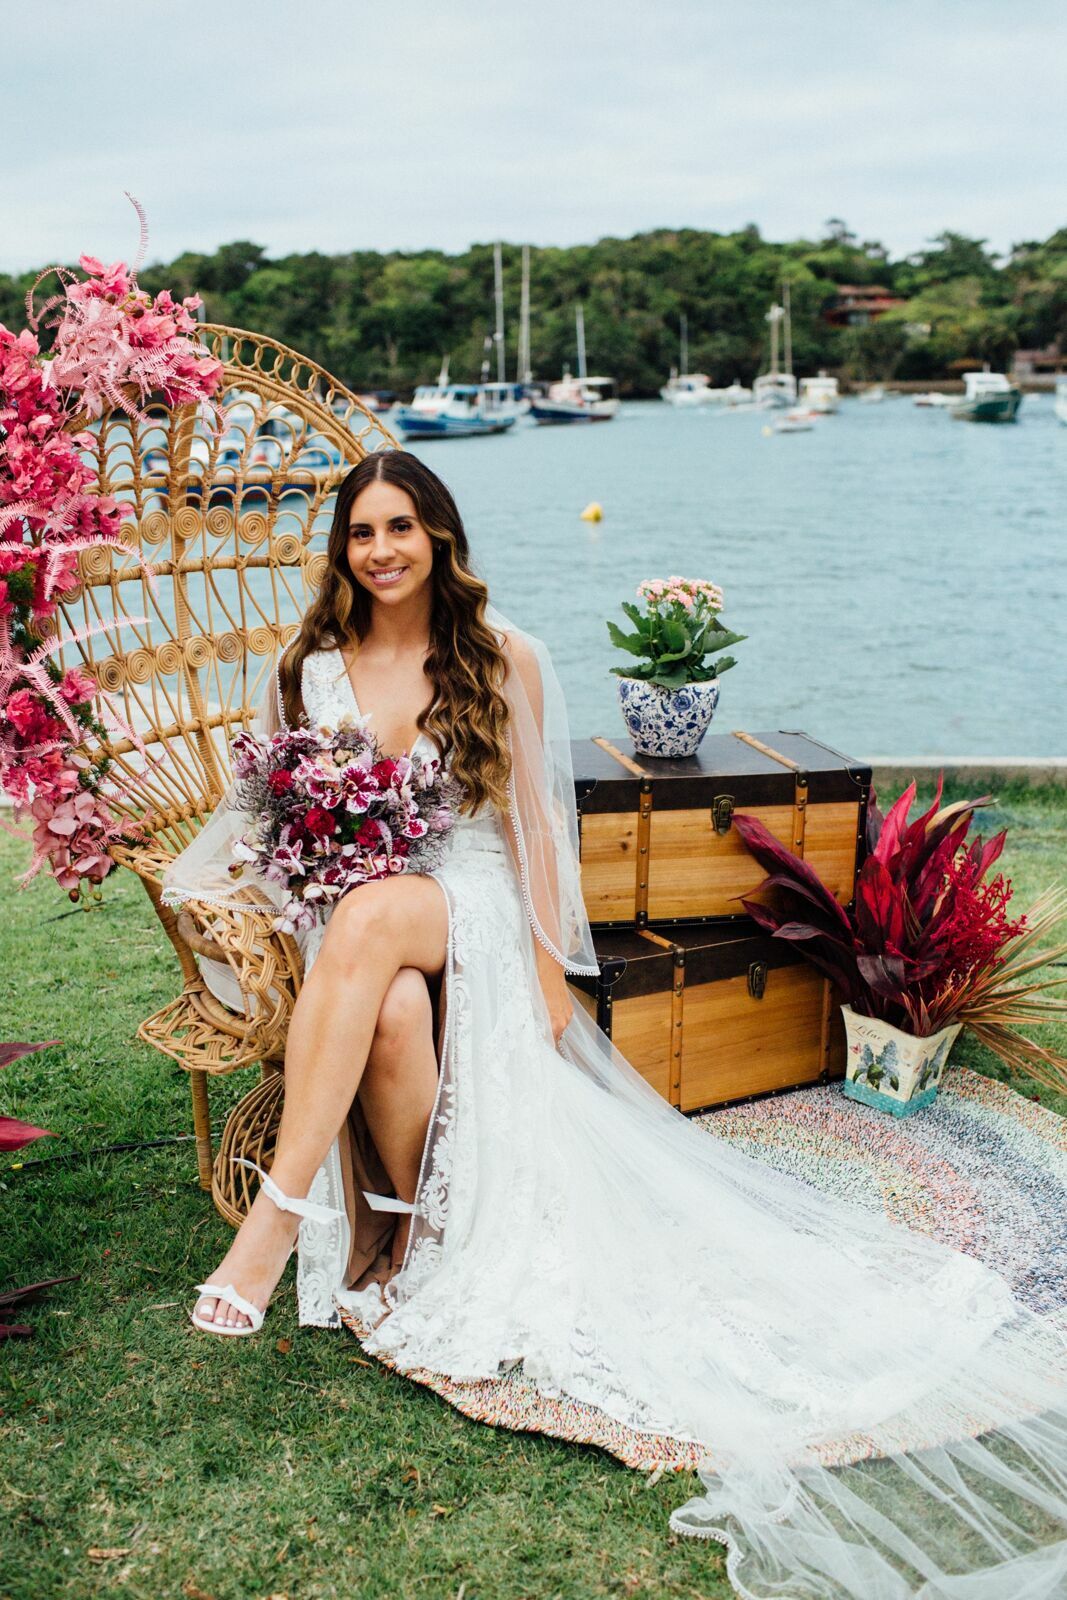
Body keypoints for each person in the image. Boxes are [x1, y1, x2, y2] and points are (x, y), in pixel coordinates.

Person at [163, 449, 1067, 1598]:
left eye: (401, 527)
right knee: (383, 989)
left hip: (474, 902)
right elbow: (268, 808)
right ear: (339, 549)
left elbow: (535, 833)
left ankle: (276, 1224)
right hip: (364, 922)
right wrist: (300, 869)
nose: (380, 550)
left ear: (439, 536)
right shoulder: (312, 667)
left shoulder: (503, 658)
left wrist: (549, 983)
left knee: (380, 925)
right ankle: (394, 1232)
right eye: (359, 532)